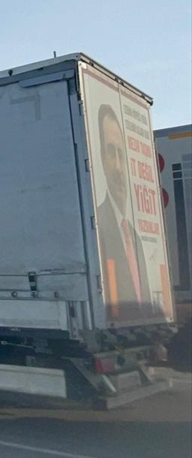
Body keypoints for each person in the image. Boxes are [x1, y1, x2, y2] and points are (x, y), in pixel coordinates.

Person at [95, 104, 152, 322]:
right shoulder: (99, 225)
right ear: (101, 158)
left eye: (121, 154)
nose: (118, 167)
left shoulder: (134, 237)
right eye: (111, 153)